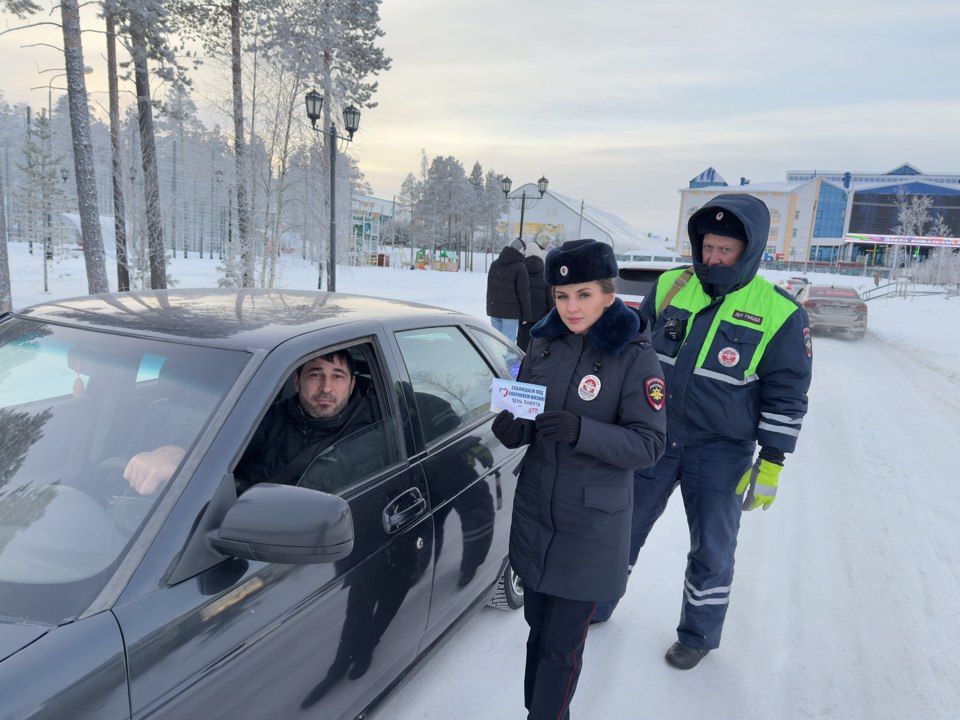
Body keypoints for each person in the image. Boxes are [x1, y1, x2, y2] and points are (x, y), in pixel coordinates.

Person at [591, 193, 813, 671]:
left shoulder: (780, 312)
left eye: (724, 251)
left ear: (748, 252)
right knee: (621, 527)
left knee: (713, 547)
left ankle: (697, 634)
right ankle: (597, 602)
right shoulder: (672, 285)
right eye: (707, 247)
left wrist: (771, 461)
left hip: (722, 451)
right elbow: (631, 346)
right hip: (653, 436)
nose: (712, 258)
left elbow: (787, 394)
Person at [491, 239, 667, 720]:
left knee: (561, 647)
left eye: (584, 294)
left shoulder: (633, 354)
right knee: (537, 629)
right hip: (537, 512)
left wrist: (582, 432)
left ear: (609, 294)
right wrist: (512, 427)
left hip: (590, 524)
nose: (571, 307)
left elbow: (649, 445)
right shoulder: (543, 343)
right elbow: (524, 408)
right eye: (561, 295)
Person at [124, 350, 379, 496]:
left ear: (352, 385)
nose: (326, 387)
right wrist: (178, 455)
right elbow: (222, 446)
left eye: (337, 377)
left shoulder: (367, 437)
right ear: (296, 382)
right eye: (315, 375)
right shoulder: (269, 416)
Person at [486, 237, 532, 343]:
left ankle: (494, 360)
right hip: (511, 313)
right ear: (521, 250)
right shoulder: (520, 267)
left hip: (495, 309)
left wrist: (491, 307)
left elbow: (491, 289)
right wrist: (526, 315)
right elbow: (523, 293)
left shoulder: (494, 264)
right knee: (507, 343)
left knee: (496, 342)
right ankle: (507, 360)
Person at [516, 240, 553, 351]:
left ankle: (522, 361)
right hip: (541, 315)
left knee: (523, 342)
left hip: (524, 314)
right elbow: (549, 296)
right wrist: (550, 313)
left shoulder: (520, 269)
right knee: (539, 342)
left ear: (526, 253)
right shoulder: (545, 271)